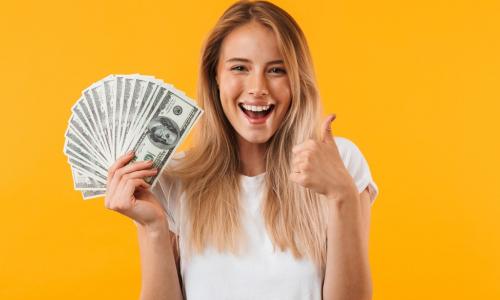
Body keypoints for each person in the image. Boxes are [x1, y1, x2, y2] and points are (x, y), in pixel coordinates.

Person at [104, 1, 379, 299]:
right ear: (215, 78)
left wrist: (343, 196)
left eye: (277, 70)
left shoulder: (340, 163)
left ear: (297, 81)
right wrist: (154, 227)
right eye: (239, 68)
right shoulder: (173, 178)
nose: (257, 87)